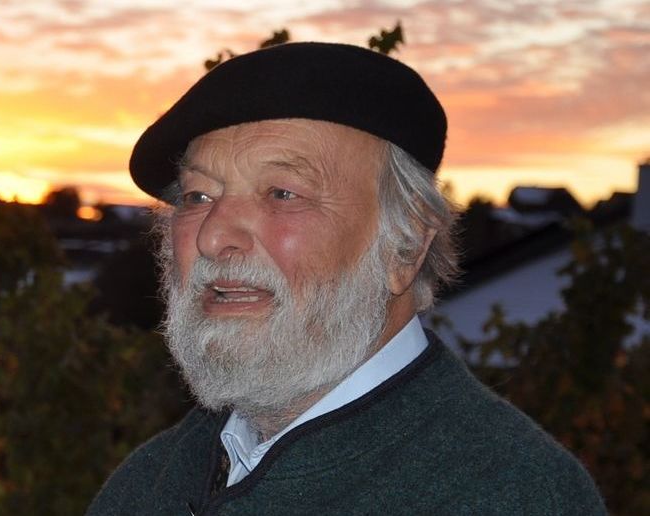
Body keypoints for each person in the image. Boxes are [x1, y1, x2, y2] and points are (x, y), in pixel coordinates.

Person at [87, 42, 605, 515]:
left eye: (282, 193)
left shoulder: (516, 494)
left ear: (406, 246)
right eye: (197, 196)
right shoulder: (146, 484)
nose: (212, 235)